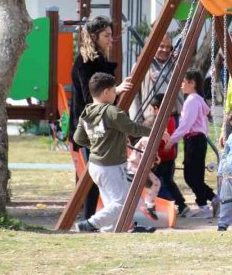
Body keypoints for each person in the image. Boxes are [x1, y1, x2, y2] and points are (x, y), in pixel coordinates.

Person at [73, 72, 154, 233]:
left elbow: (78, 138)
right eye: (113, 91)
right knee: (122, 203)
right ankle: (90, 224)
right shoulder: (111, 111)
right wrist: (154, 131)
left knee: (112, 201)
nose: (115, 94)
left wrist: (97, 144)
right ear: (106, 92)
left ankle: (115, 228)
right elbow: (132, 128)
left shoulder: (87, 112)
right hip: (111, 166)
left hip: (95, 165)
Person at [69, 15, 132, 220]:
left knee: (94, 174)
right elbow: (91, 98)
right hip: (90, 125)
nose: (110, 39)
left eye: (111, 34)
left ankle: (97, 217)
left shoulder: (97, 59)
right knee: (92, 174)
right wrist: (117, 89)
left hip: (95, 123)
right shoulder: (86, 62)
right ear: (94, 37)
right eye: (106, 35)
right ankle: (90, 218)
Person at [164, 70, 218, 218]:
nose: (181, 85)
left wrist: (171, 141)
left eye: (183, 82)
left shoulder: (192, 100)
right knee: (194, 175)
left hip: (194, 139)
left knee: (191, 176)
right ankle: (212, 198)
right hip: (196, 140)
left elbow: (185, 125)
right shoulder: (198, 99)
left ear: (192, 83)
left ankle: (204, 206)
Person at [149, 93, 188, 217]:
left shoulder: (162, 121)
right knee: (168, 182)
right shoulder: (170, 119)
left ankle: (160, 205)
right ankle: (181, 204)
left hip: (161, 158)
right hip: (169, 157)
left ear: (156, 108)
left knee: (154, 182)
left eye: (151, 109)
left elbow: (162, 140)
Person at [131, 35, 176, 122]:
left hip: (171, 116)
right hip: (149, 118)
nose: (165, 50)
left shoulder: (175, 64)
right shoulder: (141, 66)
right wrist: (136, 120)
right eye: (161, 46)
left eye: (168, 47)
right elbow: (133, 94)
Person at [126, 134, 162, 221]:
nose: (167, 131)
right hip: (136, 168)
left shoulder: (151, 139)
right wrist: (156, 160)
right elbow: (145, 156)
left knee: (153, 184)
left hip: (139, 167)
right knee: (155, 183)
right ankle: (148, 206)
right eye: (165, 129)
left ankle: (148, 205)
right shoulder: (147, 139)